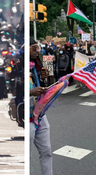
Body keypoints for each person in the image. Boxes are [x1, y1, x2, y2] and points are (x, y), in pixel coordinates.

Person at [29, 39, 52, 175]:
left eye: (38, 48)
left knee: (46, 151)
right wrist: (30, 92)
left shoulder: (36, 67)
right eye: (34, 48)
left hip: (40, 116)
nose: (37, 51)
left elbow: (43, 89)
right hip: (27, 117)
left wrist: (45, 79)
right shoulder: (19, 66)